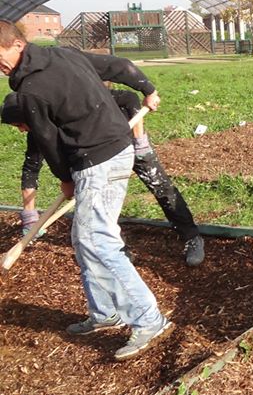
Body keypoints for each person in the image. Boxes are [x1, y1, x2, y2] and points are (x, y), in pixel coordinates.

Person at [0, 21, 173, 361]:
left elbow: (47, 141)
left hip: (98, 158)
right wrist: (147, 88)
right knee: (85, 237)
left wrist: (65, 178)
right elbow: (119, 66)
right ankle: (105, 312)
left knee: (98, 239)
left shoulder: (31, 90)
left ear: (17, 45)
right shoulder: (64, 54)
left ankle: (148, 318)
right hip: (115, 149)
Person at [9, 85, 205, 267]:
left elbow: (130, 98)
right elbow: (31, 169)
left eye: (20, 123)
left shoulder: (70, 104)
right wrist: (29, 216)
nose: (20, 129)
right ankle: (119, 249)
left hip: (126, 140)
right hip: (96, 158)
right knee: (101, 204)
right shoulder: (38, 132)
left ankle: (191, 237)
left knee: (159, 185)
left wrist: (140, 142)